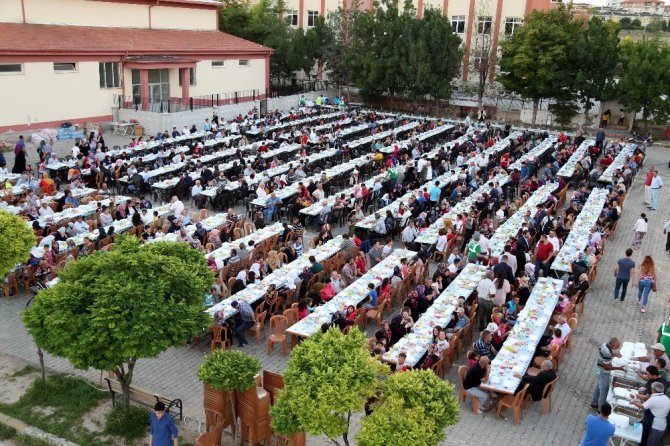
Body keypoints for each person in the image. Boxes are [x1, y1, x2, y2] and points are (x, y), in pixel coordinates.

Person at [630, 381, 670, 446]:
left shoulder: (654, 399)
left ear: (653, 390)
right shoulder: (666, 398)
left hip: (655, 427)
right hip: (661, 426)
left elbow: (643, 407)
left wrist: (633, 402)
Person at [590, 338, 625, 410]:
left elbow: (606, 355)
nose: (617, 348)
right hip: (603, 372)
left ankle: (594, 403)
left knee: (598, 386)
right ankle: (600, 409)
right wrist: (619, 368)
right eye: (617, 346)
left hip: (598, 369)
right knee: (604, 391)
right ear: (613, 345)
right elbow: (606, 367)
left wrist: (614, 355)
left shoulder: (604, 345)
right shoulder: (607, 353)